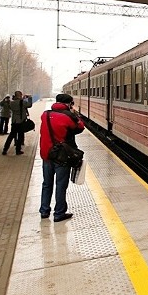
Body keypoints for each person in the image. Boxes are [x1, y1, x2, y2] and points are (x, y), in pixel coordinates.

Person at [39, 94, 85, 222]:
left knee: (47, 183)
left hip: (46, 154)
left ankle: (44, 211)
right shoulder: (68, 116)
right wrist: (76, 115)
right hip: (62, 156)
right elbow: (80, 127)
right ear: (69, 104)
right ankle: (59, 213)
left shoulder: (45, 114)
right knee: (60, 185)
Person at [2, 90, 32, 156]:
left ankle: (5, 149)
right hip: (21, 121)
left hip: (14, 121)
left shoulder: (12, 103)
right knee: (20, 136)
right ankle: (18, 150)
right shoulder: (22, 102)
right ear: (20, 95)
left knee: (11, 136)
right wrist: (29, 98)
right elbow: (29, 105)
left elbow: (9, 106)